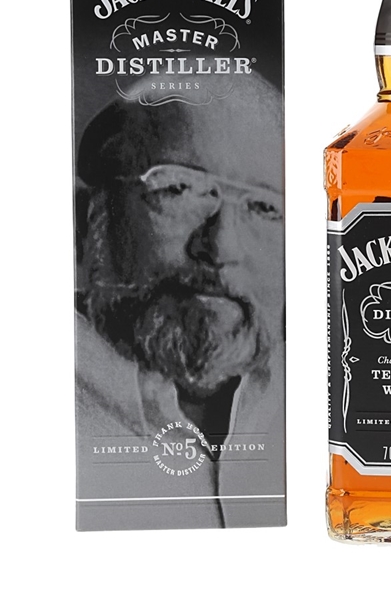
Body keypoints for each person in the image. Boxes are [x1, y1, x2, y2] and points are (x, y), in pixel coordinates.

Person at [75, 73, 285, 529]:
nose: (222, 246)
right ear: (84, 221)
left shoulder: (325, 390)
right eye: (176, 189)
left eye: (265, 208)